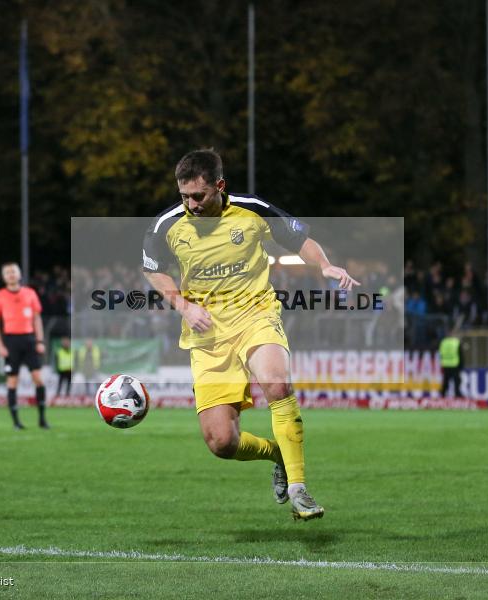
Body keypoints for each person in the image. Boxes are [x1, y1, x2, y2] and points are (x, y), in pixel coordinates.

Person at [142, 148, 359, 521]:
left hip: (254, 314)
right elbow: (152, 269)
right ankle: (276, 453)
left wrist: (323, 265)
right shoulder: (167, 225)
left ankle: (298, 487)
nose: (191, 204)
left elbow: (299, 240)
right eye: (184, 196)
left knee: (277, 384)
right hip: (207, 332)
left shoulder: (252, 209)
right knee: (222, 442)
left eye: (198, 196)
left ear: (220, 186)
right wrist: (183, 305)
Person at [0, 262, 49, 429]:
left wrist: (40, 340)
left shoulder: (30, 293)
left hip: (29, 339)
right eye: (7, 272)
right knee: (12, 381)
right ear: (3, 277)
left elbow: (37, 318)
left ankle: (42, 419)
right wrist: (0, 346)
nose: (11, 274)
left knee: (38, 379)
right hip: (11, 341)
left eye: (13, 271)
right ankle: (16, 422)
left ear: (20, 274)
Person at [438, 328, 464, 397]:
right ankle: (457, 395)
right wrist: (461, 366)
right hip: (454, 365)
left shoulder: (443, 342)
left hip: (445, 365)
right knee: (457, 381)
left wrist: (442, 364)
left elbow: (441, 354)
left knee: (445, 382)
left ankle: (442, 395)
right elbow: (460, 355)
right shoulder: (456, 342)